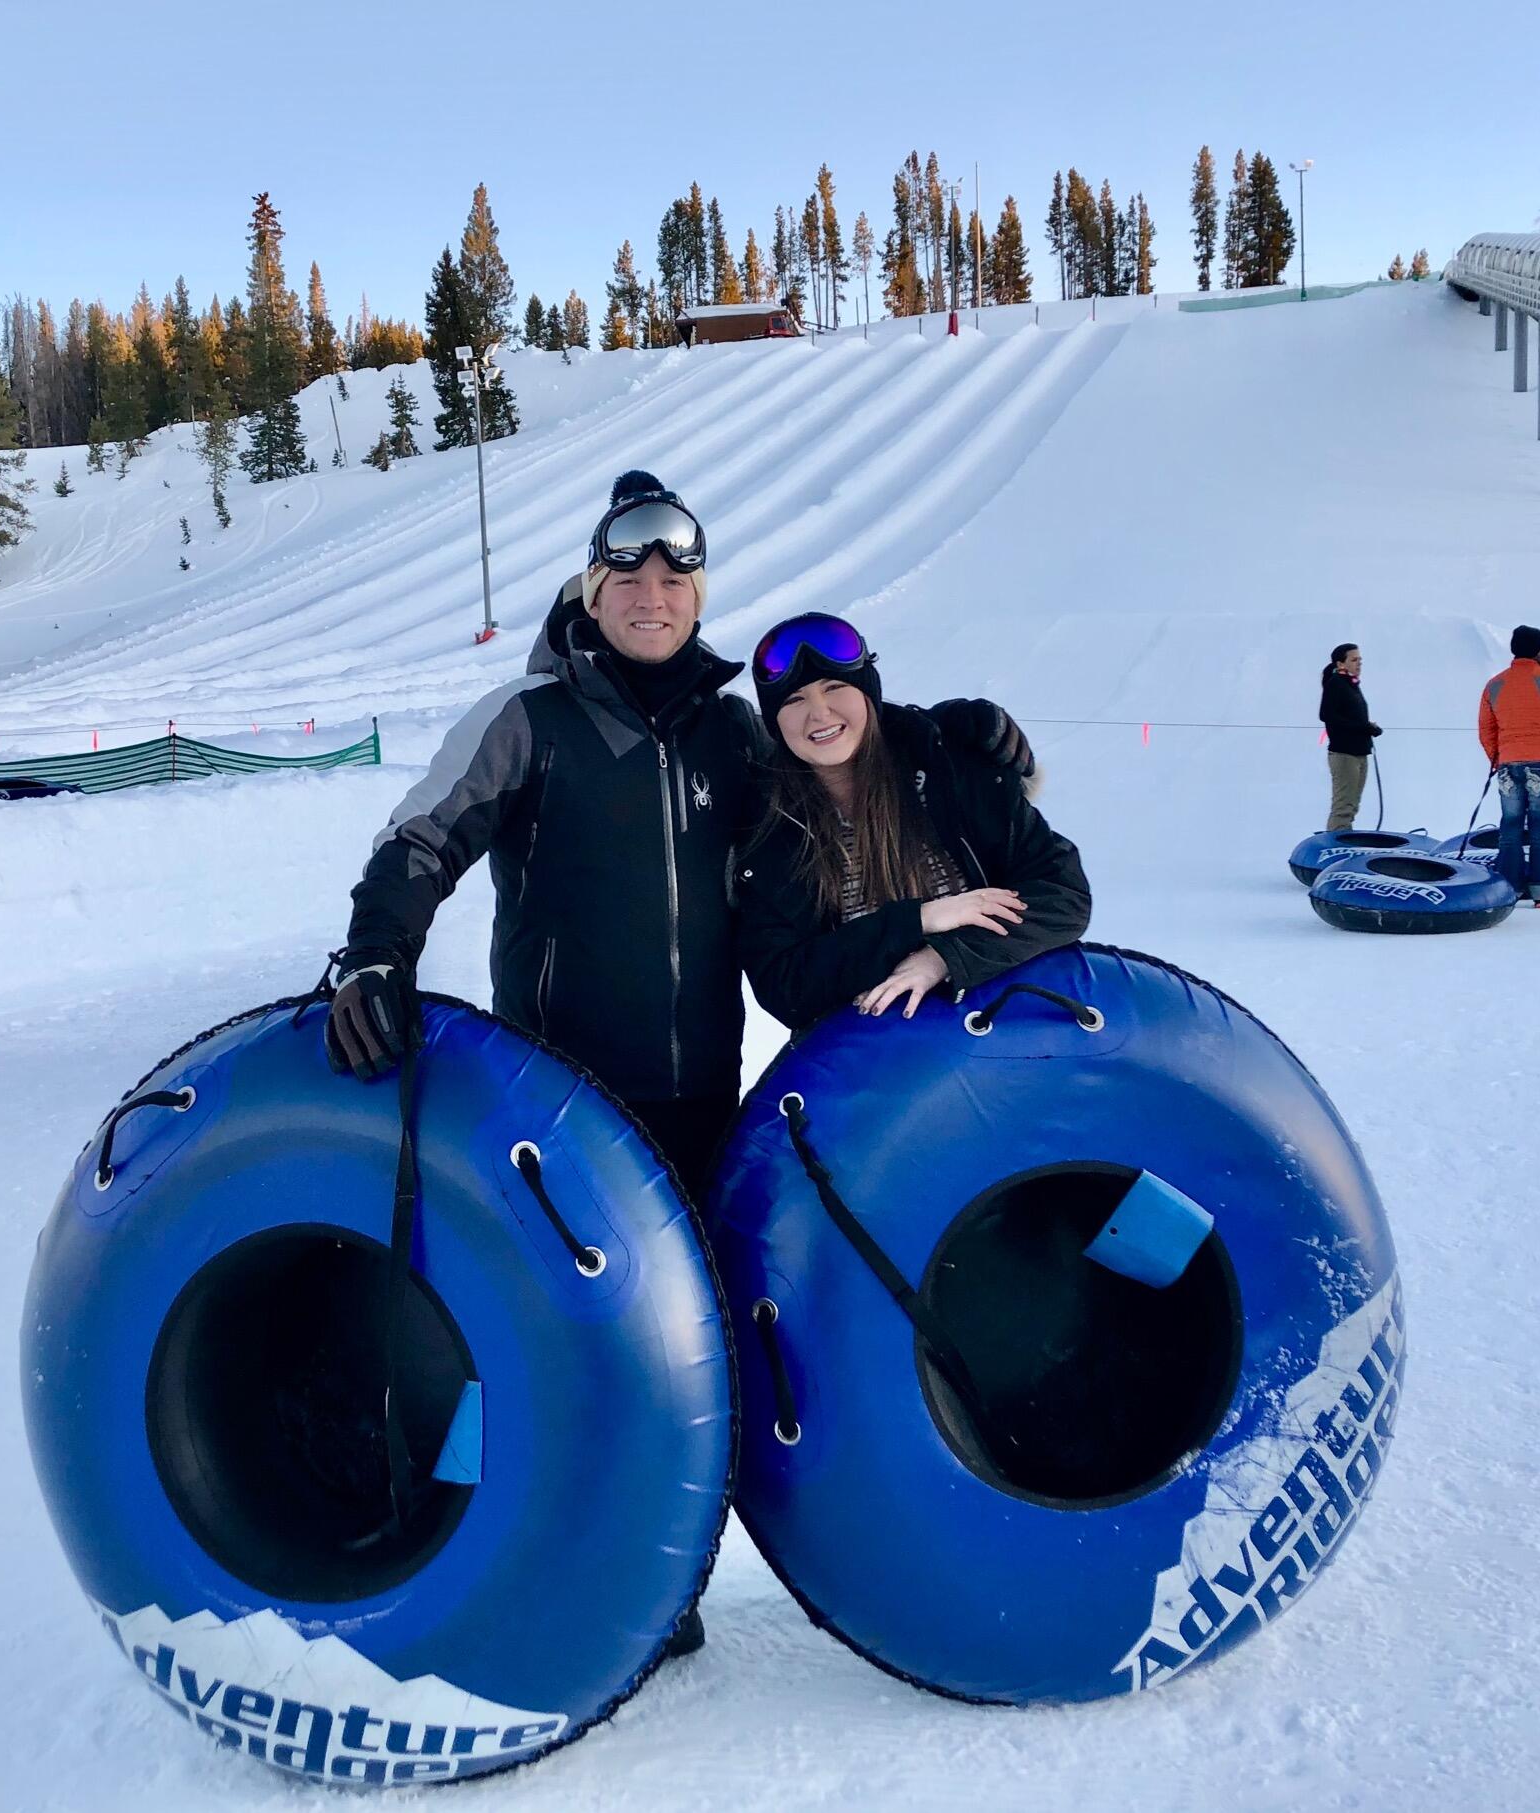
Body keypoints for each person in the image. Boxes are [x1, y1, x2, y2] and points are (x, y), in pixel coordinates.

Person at [321, 476, 1033, 1650]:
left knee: (693, 1348)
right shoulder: (531, 717)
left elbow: (843, 762)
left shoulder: (732, 731)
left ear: (696, 595)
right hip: (558, 1101)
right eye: (629, 576)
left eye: (673, 577)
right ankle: (524, 1564)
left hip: (701, 1091)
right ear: (593, 589)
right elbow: (424, 835)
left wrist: (947, 731)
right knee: (557, 1342)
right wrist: (372, 955)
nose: (652, 595)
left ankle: (668, 1581)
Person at [735, 611, 1092, 1031]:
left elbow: (1062, 895)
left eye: (835, 687)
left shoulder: (952, 773)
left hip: (1005, 1037)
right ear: (773, 721)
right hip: (878, 1066)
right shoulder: (771, 828)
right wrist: (918, 920)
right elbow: (787, 988)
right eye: (794, 700)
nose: (819, 713)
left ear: (868, 693)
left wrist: (943, 957)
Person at [1477, 625, 1540, 908]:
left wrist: (1497, 758)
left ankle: (1509, 886)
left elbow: (1486, 728)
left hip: (1509, 763)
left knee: (1510, 826)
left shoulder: (1495, 684)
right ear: (1537, 650)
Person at [1318, 643, 1379, 832]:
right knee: (1343, 807)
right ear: (1340, 663)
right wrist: (1363, 727)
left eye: (1360, 660)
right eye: (1354, 660)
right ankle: (1334, 843)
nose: (1359, 663)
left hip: (1359, 752)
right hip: (1345, 753)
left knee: (1352, 805)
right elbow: (1327, 715)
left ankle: (1343, 836)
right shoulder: (1336, 683)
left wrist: (1368, 728)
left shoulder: (1351, 684)